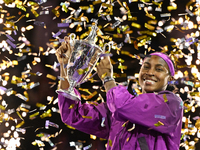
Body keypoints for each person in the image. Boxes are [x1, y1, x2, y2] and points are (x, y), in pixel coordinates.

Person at [55, 36, 183, 150]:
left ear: (170, 78)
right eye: (146, 66)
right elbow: (73, 115)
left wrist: (108, 79)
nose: (150, 72)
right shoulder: (118, 108)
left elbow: (124, 107)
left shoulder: (171, 104)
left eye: (159, 69)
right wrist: (65, 68)